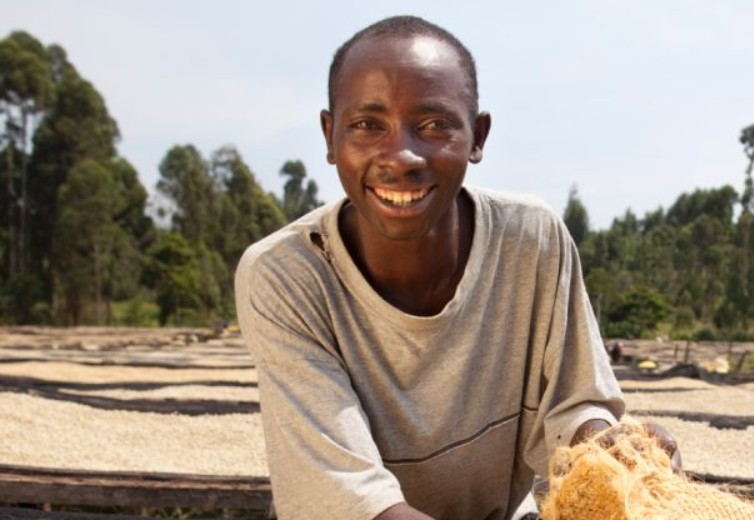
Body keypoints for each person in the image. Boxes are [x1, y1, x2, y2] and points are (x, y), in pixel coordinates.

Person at [235, 15, 677, 520]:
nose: (400, 156)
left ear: (477, 137)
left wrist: (612, 450)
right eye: (367, 125)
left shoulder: (531, 240)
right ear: (330, 136)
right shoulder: (287, 275)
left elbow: (572, 407)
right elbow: (347, 494)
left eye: (434, 126)